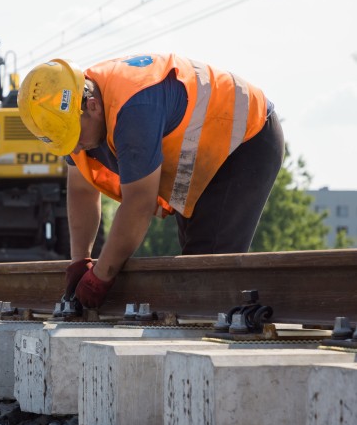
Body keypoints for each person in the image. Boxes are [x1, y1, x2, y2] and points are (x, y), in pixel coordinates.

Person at [17, 55, 284, 309]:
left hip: (246, 137)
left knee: (206, 272)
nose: (74, 146)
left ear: (93, 106)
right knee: (196, 265)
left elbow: (139, 204)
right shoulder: (78, 106)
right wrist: (80, 262)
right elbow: (81, 189)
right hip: (200, 150)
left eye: (74, 136)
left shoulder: (133, 109)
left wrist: (101, 276)